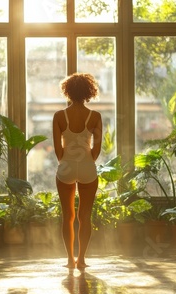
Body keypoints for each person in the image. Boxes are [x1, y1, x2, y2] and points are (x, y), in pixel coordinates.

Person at [52, 73, 103, 269]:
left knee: (68, 215)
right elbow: (96, 149)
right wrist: (87, 162)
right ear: (89, 91)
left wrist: (67, 163)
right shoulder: (95, 116)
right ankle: (81, 259)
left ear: (68, 91)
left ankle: (69, 260)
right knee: (85, 216)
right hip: (88, 167)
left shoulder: (59, 116)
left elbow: (58, 149)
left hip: (66, 166)